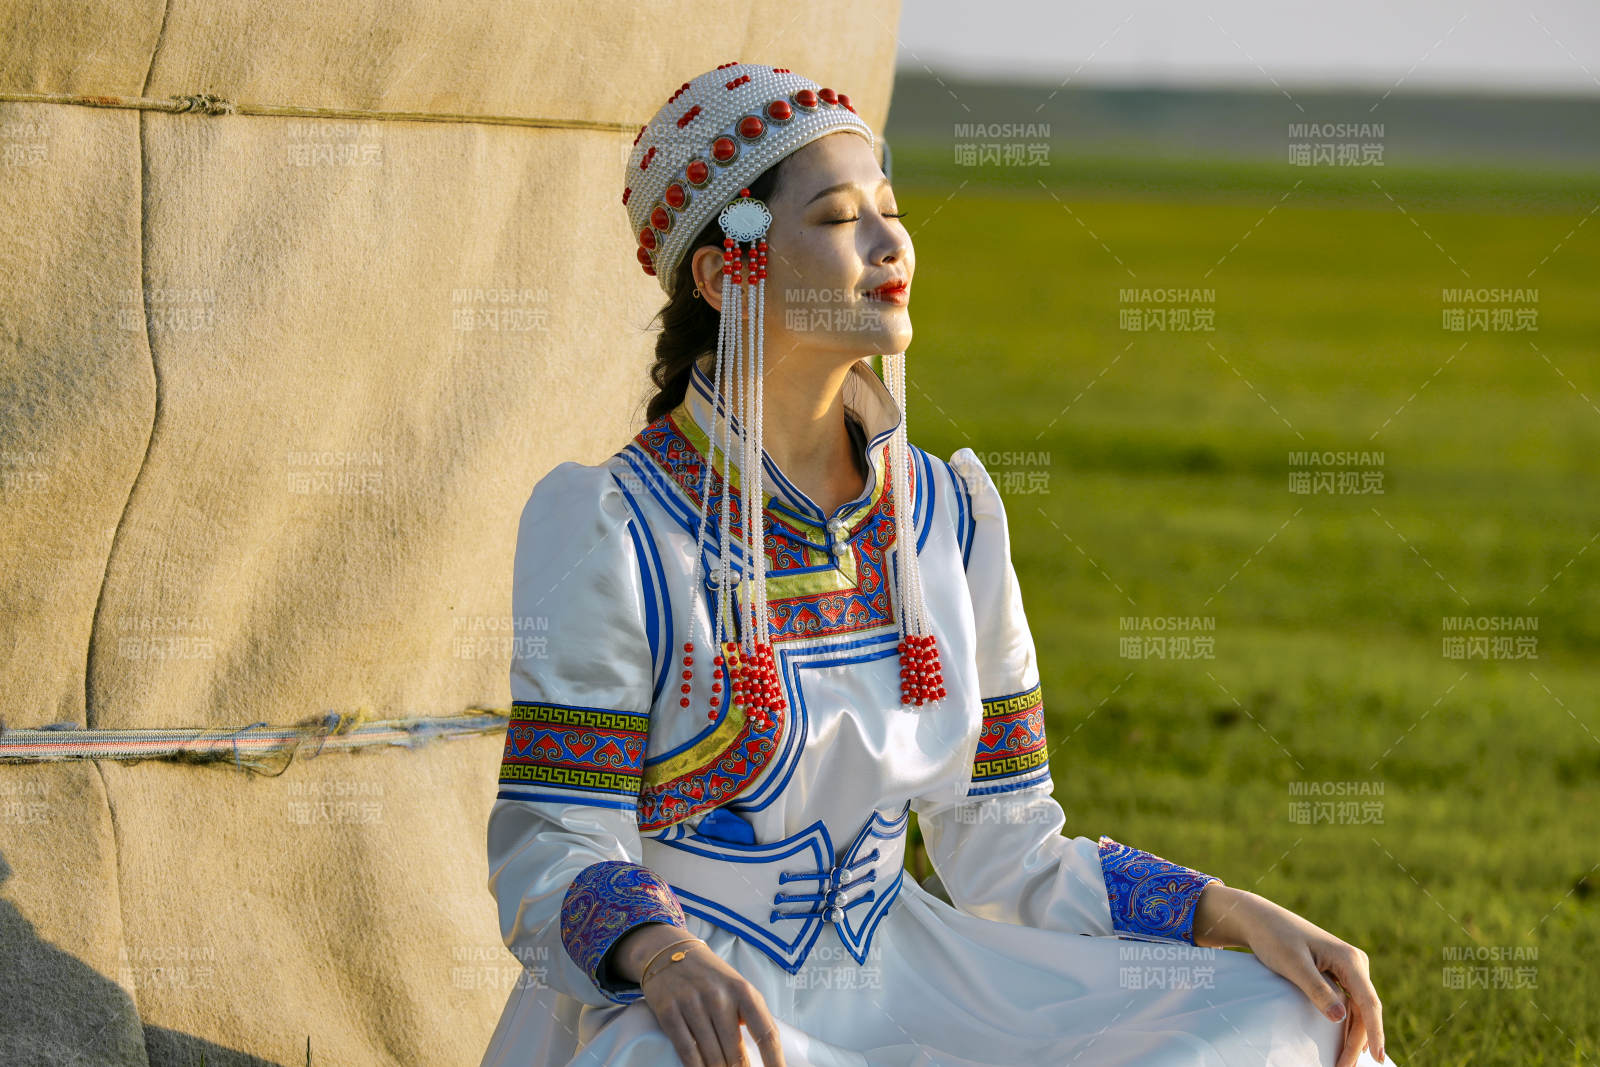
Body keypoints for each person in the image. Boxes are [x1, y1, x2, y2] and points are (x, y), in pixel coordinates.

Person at [480, 62, 1391, 1067]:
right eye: (839, 218)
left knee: (1283, 1007)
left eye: (891, 209)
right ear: (724, 271)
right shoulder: (616, 524)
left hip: (912, 977)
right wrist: (659, 955)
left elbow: (1009, 846)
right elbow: (555, 835)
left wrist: (1229, 908)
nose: (890, 244)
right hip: (699, 998)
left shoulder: (946, 516)